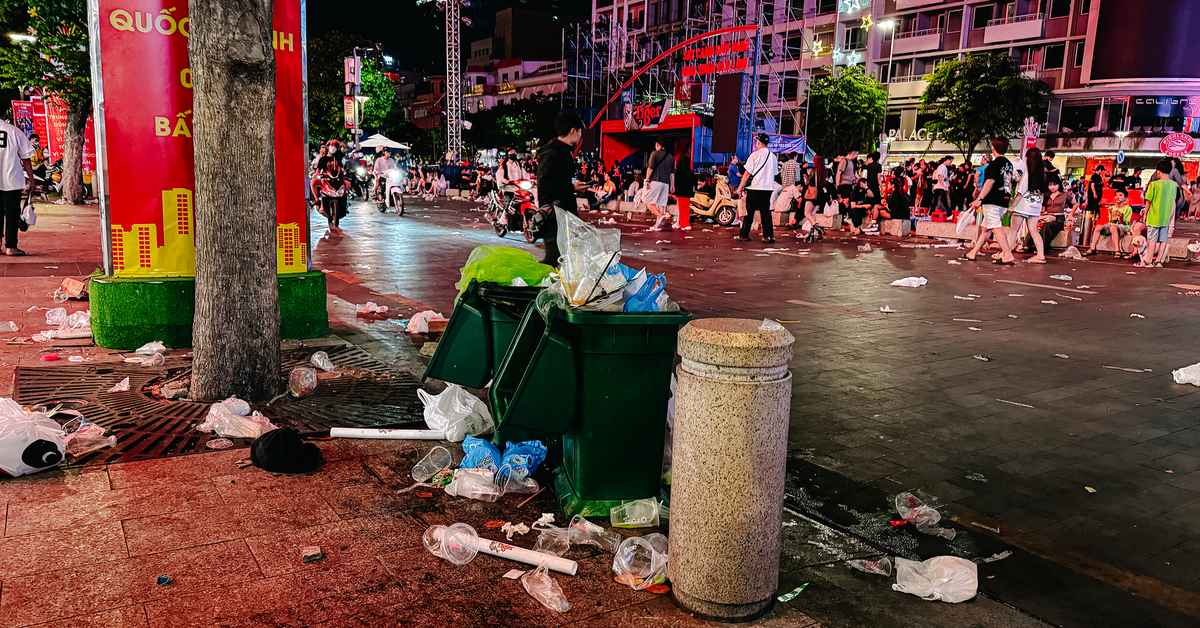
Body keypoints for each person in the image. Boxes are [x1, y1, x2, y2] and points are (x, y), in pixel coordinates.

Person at [536, 113, 590, 266]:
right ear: (573, 130)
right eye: (580, 132)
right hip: (554, 216)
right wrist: (571, 187)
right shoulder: (552, 153)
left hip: (565, 215)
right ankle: (538, 287)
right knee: (553, 259)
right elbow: (544, 185)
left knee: (567, 259)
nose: (581, 136)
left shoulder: (563, 151)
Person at [962, 138, 1016, 265]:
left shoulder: (993, 165)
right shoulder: (1009, 164)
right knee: (986, 229)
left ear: (993, 149)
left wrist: (979, 199)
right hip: (1004, 200)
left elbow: (989, 182)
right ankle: (972, 253)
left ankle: (1007, 254)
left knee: (996, 228)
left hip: (992, 201)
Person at [0, 117, 35, 256]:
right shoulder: (14, 131)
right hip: (12, 180)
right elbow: (26, 158)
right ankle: (11, 247)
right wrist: (31, 179)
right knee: (12, 214)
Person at [735, 133, 779, 244]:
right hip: (768, 188)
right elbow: (774, 173)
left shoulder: (754, 155)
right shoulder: (773, 157)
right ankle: (768, 236)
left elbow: (747, 173)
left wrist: (740, 187)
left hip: (754, 187)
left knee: (749, 212)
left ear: (758, 142)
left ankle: (744, 234)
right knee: (765, 212)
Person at [1008, 147, 1049, 263]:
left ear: (1028, 159)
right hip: (1035, 207)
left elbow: (1020, 194)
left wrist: (1012, 207)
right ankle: (1041, 255)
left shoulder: (1027, 174)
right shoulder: (1042, 175)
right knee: (1034, 231)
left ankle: (1005, 253)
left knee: (1013, 231)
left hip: (1022, 206)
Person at [1140, 159, 1178, 267]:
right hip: (1166, 217)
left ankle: (1148, 261)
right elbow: (1172, 201)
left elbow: (1148, 201)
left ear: (1158, 172)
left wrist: (1146, 214)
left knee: (1151, 240)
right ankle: (1159, 261)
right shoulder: (1173, 185)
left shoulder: (1154, 184)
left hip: (1154, 216)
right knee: (1163, 240)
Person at [1083, 189, 1133, 258]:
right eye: (1116, 195)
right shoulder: (1112, 208)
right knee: (1098, 227)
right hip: (1113, 226)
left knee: (1113, 227)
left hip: (1123, 227)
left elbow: (1123, 223)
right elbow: (1112, 222)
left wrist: (1121, 216)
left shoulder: (1128, 208)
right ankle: (1092, 248)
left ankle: (1117, 251)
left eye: (1120, 195)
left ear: (1125, 198)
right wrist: (1111, 214)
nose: (1117, 197)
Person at [644, 140, 675, 231]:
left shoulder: (654, 154)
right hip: (666, 183)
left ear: (658, 145)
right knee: (661, 204)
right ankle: (658, 226)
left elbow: (650, 168)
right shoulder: (671, 157)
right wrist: (672, 186)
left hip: (656, 181)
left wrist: (647, 180)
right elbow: (672, 174)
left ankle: (660, 216)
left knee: (648, 201)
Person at [673, 153, 696, 230]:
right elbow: (694, 181)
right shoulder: (690, 171)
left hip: (680, 193)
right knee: (686, 210)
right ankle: (685, 223)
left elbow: (675, 183)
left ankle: (683, 225)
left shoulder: (678, 172)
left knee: (681, 209)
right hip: (688, 193)